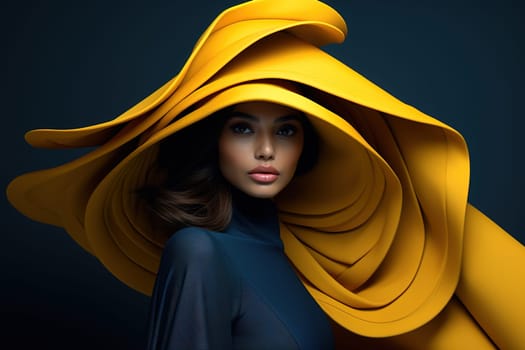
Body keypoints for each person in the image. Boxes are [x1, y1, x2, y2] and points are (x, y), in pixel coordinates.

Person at [6, 0, 524, 349]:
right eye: (241, 128)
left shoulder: (309, 260)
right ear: (212, 141)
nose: (266, 150)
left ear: (309, 145)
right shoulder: (200, 251)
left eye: (288, 131)